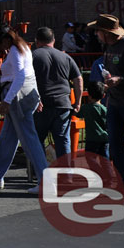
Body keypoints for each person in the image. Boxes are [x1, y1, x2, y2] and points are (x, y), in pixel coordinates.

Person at [0, 24, 47, 193]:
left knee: (29, 140)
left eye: (0, 42)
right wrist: (37, 96)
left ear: (7, 39)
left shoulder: (15, 51)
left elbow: (20, 75)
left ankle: (46, 181)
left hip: (17, 96)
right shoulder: (24, 48)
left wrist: (7, 101)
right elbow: (29, 73)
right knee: (8, 138)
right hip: (26, 93)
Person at [88, 13, 124, 196]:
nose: (96, 35)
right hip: (114, 104)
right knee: (115, 144)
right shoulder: (108, 47)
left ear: (106, 32)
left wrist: (121, 79)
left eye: (97, 31)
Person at [31, 26, 82, 158]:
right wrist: (78, 102)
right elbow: (78, 79)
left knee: (37, 139)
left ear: (37, 41)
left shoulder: (33, 56)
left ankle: (40, 171)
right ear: (53, 40)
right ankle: (66, 173)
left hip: (40, 104)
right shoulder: (65, 57)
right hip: (63, 104)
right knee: (63, 140)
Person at [79, 81, 109, 158]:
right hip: (104, 139)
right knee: (105, 161)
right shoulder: (105, 110)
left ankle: (96, 170)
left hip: (91, 140)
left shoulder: (85, 108)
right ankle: (107, 170)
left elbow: (77, 114)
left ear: (89, 95)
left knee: (90, 161)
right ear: (103, 96)